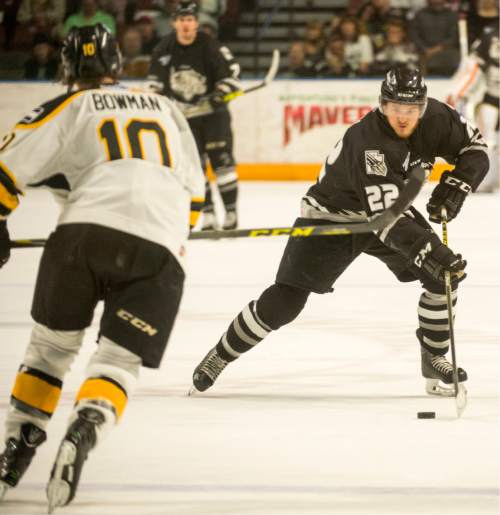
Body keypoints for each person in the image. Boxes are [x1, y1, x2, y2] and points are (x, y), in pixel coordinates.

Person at [190, 65, 489, 399]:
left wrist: (458, 184)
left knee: (442, 279)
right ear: (381, 104)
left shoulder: (437, 118)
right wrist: (428, 251)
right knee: (286, 301)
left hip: (389, 212)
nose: (403, 117)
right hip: (333, 216)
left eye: (411, 110)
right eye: (395, 109)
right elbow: (386, 219)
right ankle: (220, 355)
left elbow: (476, 147)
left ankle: (433, 357)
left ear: (422, 106)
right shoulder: (369, 143)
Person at [0, 23, 204, 510]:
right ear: (117, 66)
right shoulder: (167, 107)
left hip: (83, 236)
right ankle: (88, 423)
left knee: (50, 351)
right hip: (161, 248)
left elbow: (7, 167)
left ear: (68, 68)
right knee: (117, 360)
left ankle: (15, 449)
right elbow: (194, 194)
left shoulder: (73, 105)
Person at [148, 0, 242, 231]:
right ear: (174, 23)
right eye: (182, 20)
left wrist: (220, 93)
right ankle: (208, 213)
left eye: (190, 20)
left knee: (222, 164)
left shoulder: (211, 46)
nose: (186, 24)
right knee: (196, 168)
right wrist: (166, 105)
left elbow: (233, 77)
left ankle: (230, 213)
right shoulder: (163, 49)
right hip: (184, 120)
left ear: (197, 22)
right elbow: (154, 86)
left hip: (214, 116)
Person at [447, 24, 499, 192]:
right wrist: (461, 92)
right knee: (486, 139)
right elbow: (474, 69)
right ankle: (485, 180)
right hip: (493, 98)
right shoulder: (490, 37)